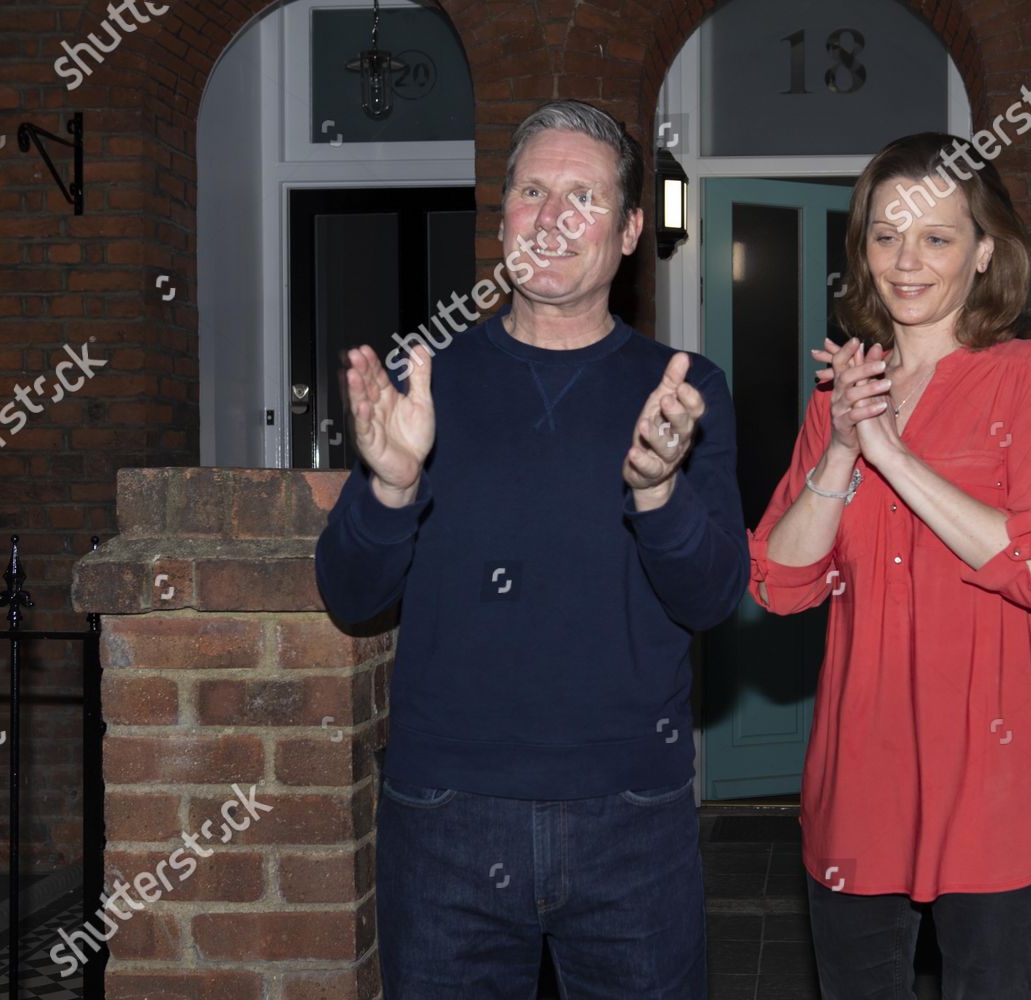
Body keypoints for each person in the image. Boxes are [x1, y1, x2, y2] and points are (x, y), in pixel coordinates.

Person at [315, 99, 748, 999]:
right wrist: (392, 483)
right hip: (445, 820)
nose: (552, 219)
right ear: (502, 213)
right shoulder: (423, 383)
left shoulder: (683, 391)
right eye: (532, 192)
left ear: (630, 230)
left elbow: (711, 599)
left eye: (583, 197)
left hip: (633, 817)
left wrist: (658, 492)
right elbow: (349, 594)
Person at [747, 132, 1031, 999]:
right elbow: (779, 584)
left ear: (984, 251)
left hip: (999, 782)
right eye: (885, 235)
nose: (906, 262)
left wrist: (892, 456)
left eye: (936, 238)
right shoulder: (840, 395)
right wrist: (839, 452)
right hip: (861, 776)